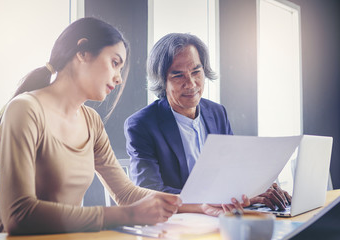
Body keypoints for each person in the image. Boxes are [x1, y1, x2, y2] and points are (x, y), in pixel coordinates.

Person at [0, 17, 187, 235]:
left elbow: (125, 193)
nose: (119, 79)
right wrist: (128, 215)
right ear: (82, 52)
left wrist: (198, 206)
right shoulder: (25, 109)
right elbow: (19, 216)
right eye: (115, 63)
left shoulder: (91, 121)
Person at [124, 33, 291, 211]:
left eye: (196, 72)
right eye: (178, 75)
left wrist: (259, 187)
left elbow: (235, 167)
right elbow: (149, 190)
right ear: (162, 81)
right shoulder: (141, 125)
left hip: (226, 214)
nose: (191, 84)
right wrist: (215, 201)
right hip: (178, 221)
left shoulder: (217, 112)